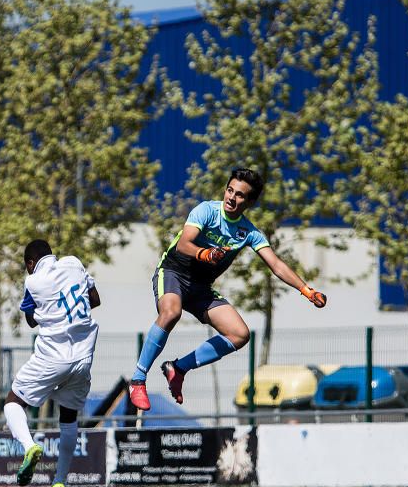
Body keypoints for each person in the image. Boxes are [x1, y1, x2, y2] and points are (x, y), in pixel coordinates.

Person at [128, 168, 326, 410]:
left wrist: (306, 290)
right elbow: (183, 244)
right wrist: (205, 253)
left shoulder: (249, 232)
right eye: (230, 190)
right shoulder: (207, 211)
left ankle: (177, 368)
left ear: (250, 202)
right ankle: (138, 379)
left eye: (240, 195)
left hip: (200, 288)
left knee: (240, 334)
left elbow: (275, 264)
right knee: (171, 312)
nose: (232, 197)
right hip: (173, 274)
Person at [4, 239, 100, 487]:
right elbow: (95, 299)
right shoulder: (74, 264)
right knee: (68, 418)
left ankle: (29, 446)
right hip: (83, 358)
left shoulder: (33, 281)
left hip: (52, 357)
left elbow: (30, 319)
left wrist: (51, 310)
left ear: (30, 263)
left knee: (13, 402)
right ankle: (59, 481)